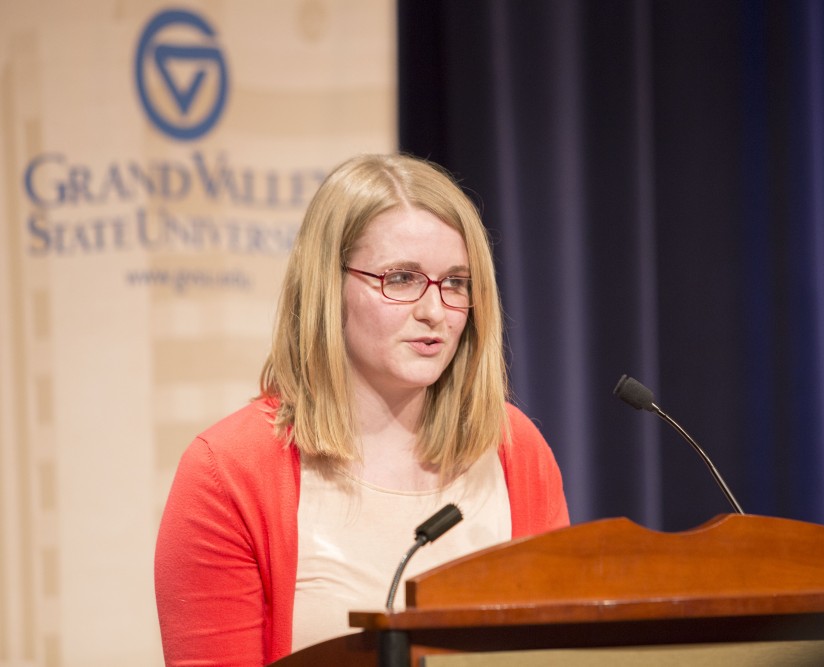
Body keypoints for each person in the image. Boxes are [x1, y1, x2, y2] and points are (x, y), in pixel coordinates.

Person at [153, 153, 570, 666]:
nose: (434, 312)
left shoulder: (513, 447)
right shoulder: (228, 471)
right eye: (401, 279)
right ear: (330, 287)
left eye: (456, 283)